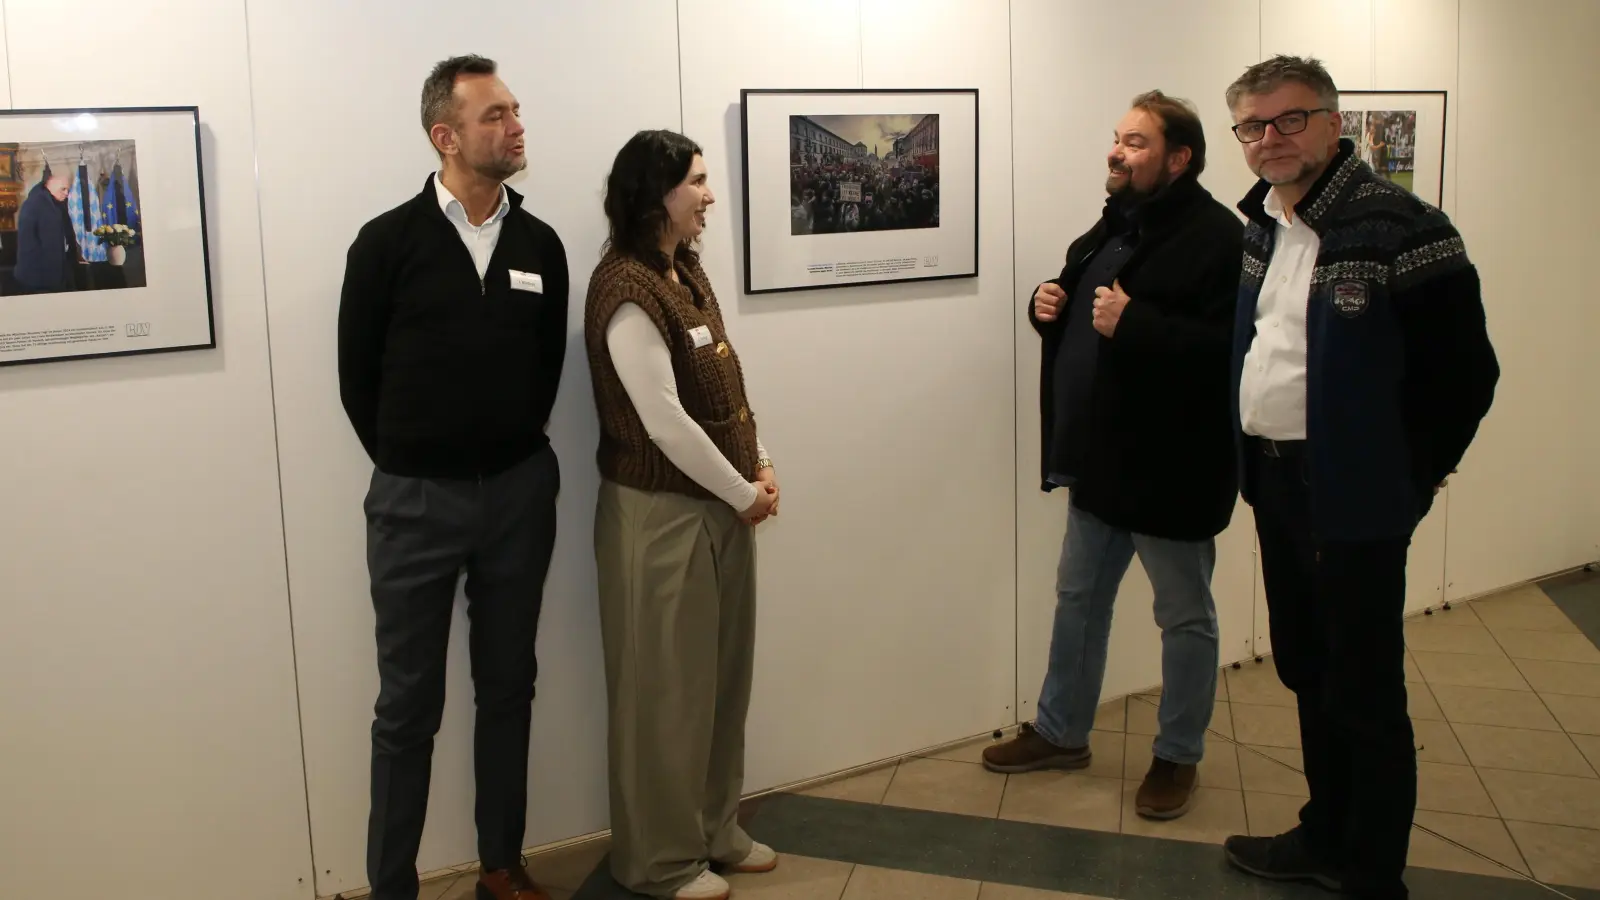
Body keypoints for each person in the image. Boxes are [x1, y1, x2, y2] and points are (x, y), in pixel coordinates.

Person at [1219, 56, 1498, 900]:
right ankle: (1325, 833)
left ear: (1334, 123)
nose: (1270, 140)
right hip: (1276, 484)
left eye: (1289, 120)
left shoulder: (1402, 226)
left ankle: (1372, 870)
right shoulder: (1264, 224)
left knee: (1365, 685)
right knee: (1308, 666)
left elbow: (1464, 378)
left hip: (1354, 498)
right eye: (1253, 127)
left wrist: (1407, 484)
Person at [337, 54, 569, 900]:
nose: (514, 126)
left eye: (515, 110)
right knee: (407, 708)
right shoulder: (386, 243)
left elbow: (544, 371)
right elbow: (355, 379)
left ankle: (500, 866)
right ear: (447, 136)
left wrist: (506, 457)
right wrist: (417, 462)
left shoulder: (541, 244)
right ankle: (391, 883)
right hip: (414, 501)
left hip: (517, 495)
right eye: (494, 115)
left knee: (509, 686)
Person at [982, 91, 1243, 820]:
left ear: (1179, 158)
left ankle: (1176, 756)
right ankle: (1063, 732)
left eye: (1135, 142)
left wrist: (1140, 324)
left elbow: (1231, 351)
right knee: (1079, 601)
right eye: (1117, 139)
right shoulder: (1117, 223)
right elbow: (1086, 309)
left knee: (1183, 617)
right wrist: (1050, 304)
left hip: (1171, 470)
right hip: (1100, 461)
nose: (1116, 152)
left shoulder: (1219, 238)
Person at [584, 129, 780, 900]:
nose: (708, 194)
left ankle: (712, 829)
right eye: (696, 181)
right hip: (660, 519)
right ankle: (659, 861)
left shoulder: (687, 272)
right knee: (662, 696)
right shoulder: (625, 287)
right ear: (654, 193)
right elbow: (663, 421)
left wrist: (758, 463)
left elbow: (725, 393)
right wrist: (743, 494)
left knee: (722, 683)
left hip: (725, 511)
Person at [14, 172, 81, 293]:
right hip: (40, 279)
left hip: (47, 275)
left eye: (68, 190)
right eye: (63, 189)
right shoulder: (38, 205)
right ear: (51, 185)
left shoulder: (52, 203)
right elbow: (48, 245)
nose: (66, 193)